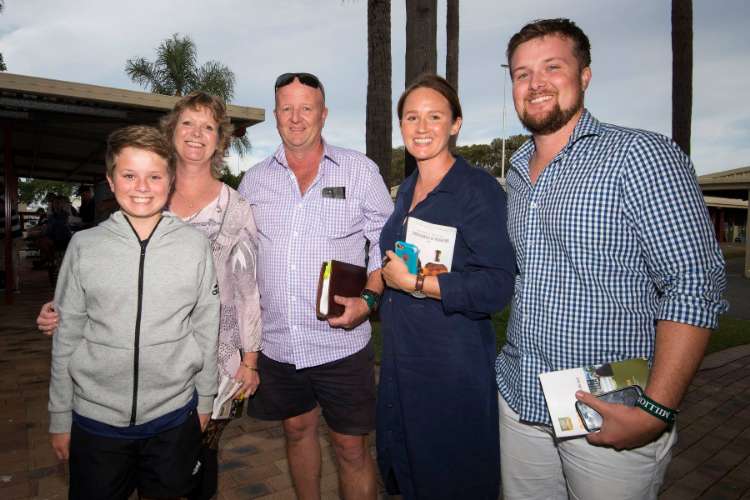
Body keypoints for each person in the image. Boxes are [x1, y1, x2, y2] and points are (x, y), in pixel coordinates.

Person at [494, 18, 728, 500]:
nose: (535, 83)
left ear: (584, 75)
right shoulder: (515, 172)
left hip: (610, 408)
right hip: (521, 402)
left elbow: (694, 283)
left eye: (552, 67)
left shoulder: (639, 155)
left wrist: (656, 409)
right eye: (522, 73)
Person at [38, 91, 262, 500]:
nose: (196, 134)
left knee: (195, 476)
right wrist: (60, 312)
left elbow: (242, 294)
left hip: (201, 372)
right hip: (106, 400)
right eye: (187, 123)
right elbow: (96, 291)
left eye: (208, 127)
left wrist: (247, 361)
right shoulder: (122, 209)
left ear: (220, 139)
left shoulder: (230, 212)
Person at [237, 72, 393, 500]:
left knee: (351, 448)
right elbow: (240, 257)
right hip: (279, 344)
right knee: (296, 430)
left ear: (323, 114)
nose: (296, 117)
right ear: (275, 115)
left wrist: (369, 299)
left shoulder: (360, 171)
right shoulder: (254, 180)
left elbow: (386, 242)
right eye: (287, 108)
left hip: (340, 343)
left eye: (306, 108)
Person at [48, 125, 219, 499]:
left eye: (154, 176)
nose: (142, 187)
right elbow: (67, 335)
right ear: (111, 180)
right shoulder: (84, 246)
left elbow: (207, 326)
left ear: (170, 181)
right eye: (129, 175)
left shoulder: (194, 246)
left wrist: (206, 399)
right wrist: (60, 415)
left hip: (174, 416)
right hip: (96, 421)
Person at [378, 74, 515, 499]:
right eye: (411, 117)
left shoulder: (477, 191)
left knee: (452, 480)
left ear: (455, 124)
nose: (421, 127)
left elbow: (497, 285)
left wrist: (418, 282)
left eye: (434, 116)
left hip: (449, 371)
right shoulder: (407, 191)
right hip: (402, 365)